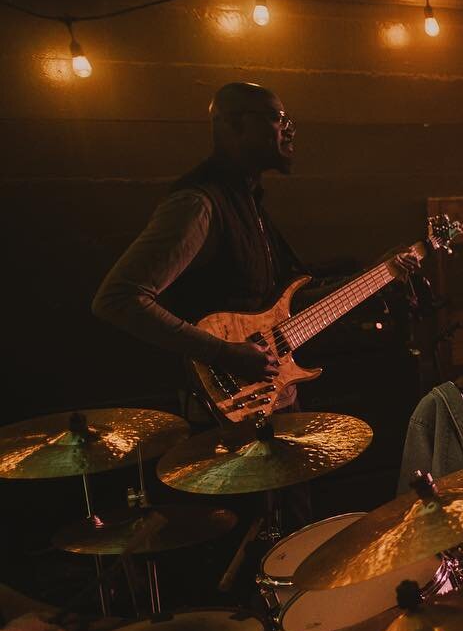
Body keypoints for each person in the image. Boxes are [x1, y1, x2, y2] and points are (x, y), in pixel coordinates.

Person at [92, 82, 420, 408]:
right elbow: (118, 299)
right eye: (279, 119)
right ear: (236, 124)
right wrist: (224, 353)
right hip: (226, 406)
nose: (290, 131)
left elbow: (286, 301)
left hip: (274, 396)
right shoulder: (198, 204)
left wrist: (378, 273)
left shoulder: (247, 201)